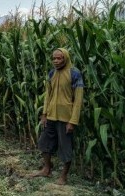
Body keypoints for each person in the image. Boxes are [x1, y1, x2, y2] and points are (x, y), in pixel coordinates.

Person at [31, 48, 84, 185]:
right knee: (44, 143)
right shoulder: (51, 73)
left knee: (65, 148)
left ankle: (63, 177)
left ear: (65, 58)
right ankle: (47, 169)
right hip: (51, 116)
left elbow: (78, 100)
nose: (55, 61)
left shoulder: (74, 73)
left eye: (59, 58)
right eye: (54, 58)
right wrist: (44, 114)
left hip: (66, 118)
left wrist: (72, 121)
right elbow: (48, 95)